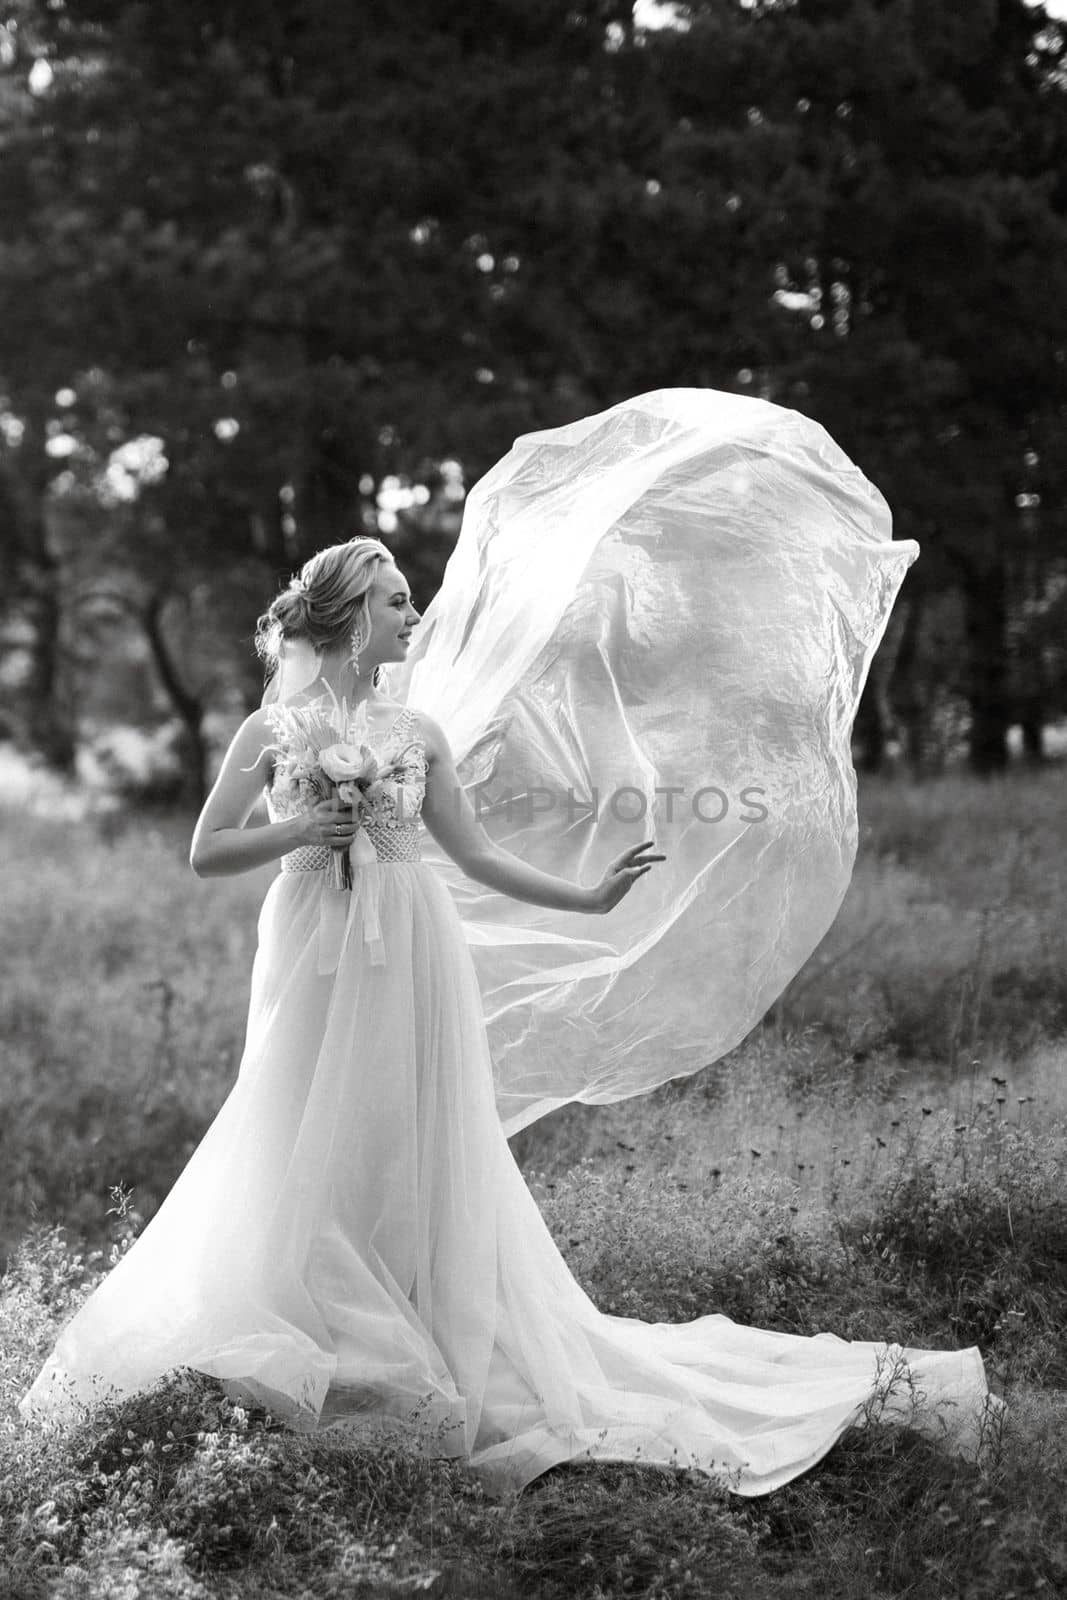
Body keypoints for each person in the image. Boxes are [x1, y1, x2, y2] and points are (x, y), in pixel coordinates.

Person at [21, 391, 992, 1496]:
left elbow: (472, 859)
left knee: (408, 1121)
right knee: (295, 1114)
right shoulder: (272, 730)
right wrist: (305, 825)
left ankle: (421, 1314)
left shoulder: (416, 731)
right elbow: (208, 850)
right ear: (346, 619)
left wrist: (588, 896)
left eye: (408, 600)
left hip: (411, 940)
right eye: (393, 602)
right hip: (309, 938)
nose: (413, 618)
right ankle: (311, 1312)